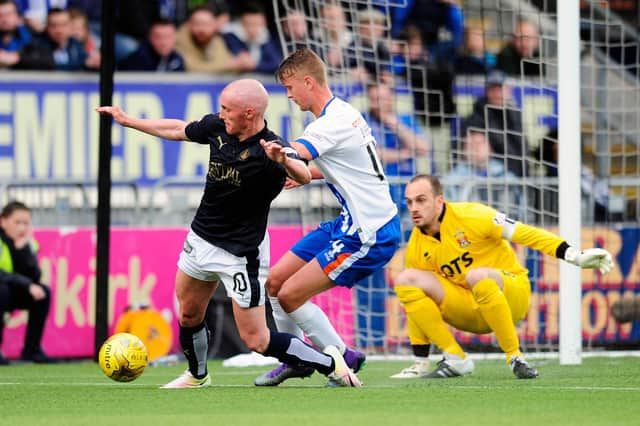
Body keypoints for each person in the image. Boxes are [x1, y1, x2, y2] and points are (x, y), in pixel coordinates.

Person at [96, 78, 362, 388]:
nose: (221, 114)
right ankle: (197, 376)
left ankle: (331, 363)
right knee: (189, 314)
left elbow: (303, 175)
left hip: (240, 253)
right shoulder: (218, 128)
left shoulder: (272, 148)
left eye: (227, 109)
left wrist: (284, 160)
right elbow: (179, 129)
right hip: (201, 238)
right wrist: (128, 120)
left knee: (257, 339)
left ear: (249, 113)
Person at [254, 48, 401, 386]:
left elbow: (297, 151)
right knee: (275, 283)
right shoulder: (343, 113)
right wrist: (305, 173)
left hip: (370, 230)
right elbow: (348, 166)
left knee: (290, 295)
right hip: (349, 220)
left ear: (308, 81)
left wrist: (278, 154)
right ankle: (296, 359)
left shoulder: (331, 123)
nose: (288, 95)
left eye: (290, 88)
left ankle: (341, 357)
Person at [390, 175, 613, 379]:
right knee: (406, 278)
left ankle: (515, 357)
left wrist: (574, 255)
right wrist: (420, 359)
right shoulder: (417, 246)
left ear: (439, 201)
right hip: (471, 311)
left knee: (477, 275)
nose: (414, 208)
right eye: (409, 203)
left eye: (421, 200)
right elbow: (415, 310)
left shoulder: (473, 215)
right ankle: (454, 358)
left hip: (511, 295)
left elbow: (527, 234)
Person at [0, 201, 55, 365]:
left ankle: (32, 350)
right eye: (17, 222)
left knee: (43, 292)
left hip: (13, 291)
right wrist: (26, 284)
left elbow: (35, 277)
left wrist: (22, 250)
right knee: (1, 290)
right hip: (3, 291)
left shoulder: (28, 243)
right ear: (2, 221)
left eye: (26, 223)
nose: (22, 228)